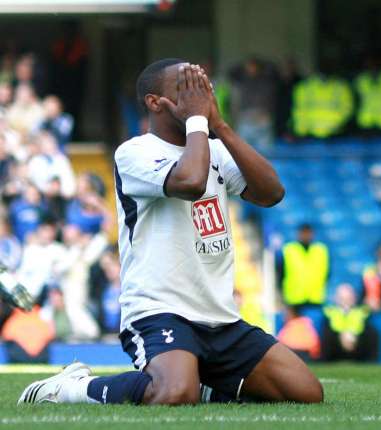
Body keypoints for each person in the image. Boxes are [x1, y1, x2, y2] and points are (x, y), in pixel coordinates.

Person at [18, 59, 322, 406]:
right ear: (154, 102)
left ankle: (206, 385)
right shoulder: (134, 152)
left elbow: (272, 193)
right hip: (158, 310)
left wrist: (218, 124)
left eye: (201, 88)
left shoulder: (215, 148)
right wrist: (197, 121)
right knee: (174, 393)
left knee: (305, 392)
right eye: (185, 90)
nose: (198, 97)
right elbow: (190, 182)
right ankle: (75, 387)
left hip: (220, 315)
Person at [322, 284, 379, 362]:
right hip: (336, 344)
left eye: (349, 298)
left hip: (358, 344)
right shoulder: (329, 312)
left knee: (372, 332)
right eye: (342, 299)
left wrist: (351, 335)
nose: (346, 302)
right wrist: (343, 335)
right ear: (336, 299)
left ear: (354, 298)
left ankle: (369, 362)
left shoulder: (362, 312)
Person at [279, 223, 330, 307]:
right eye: (304, 233)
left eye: (308, 233)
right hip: (294, 300)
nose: (306, 236)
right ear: (298, 234)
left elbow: (328, 273)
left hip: (316, 299)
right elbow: (281, 273)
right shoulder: (289, 250)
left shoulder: (321, 250)